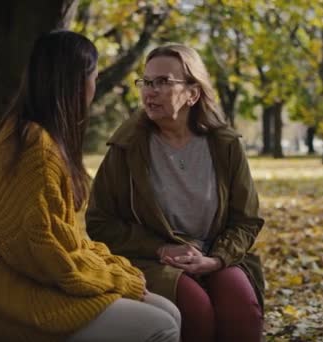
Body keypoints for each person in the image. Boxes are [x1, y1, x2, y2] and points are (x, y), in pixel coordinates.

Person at [0, 31, 180, 342]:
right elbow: (48, 253)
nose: (94, 87)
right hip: (18, 306)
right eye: (94, 77)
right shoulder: (34, 150)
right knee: (162, 325)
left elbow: (67, 238)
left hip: (35, 287)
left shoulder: (29, 135)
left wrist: (120, 270)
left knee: (168, 312)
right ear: (74, 83)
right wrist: (118, 279)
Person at [86, 44, 265, 342]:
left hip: (214, 253)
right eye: (146, 81)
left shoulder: (225, 146)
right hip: (154, 260)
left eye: (163, 82)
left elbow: (246, 220)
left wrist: (216, 260)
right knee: (196, 311)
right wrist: (161, 249)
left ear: (193, 94)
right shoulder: (125, 148)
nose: (150, 91)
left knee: (242, 311)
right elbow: (100, 223)